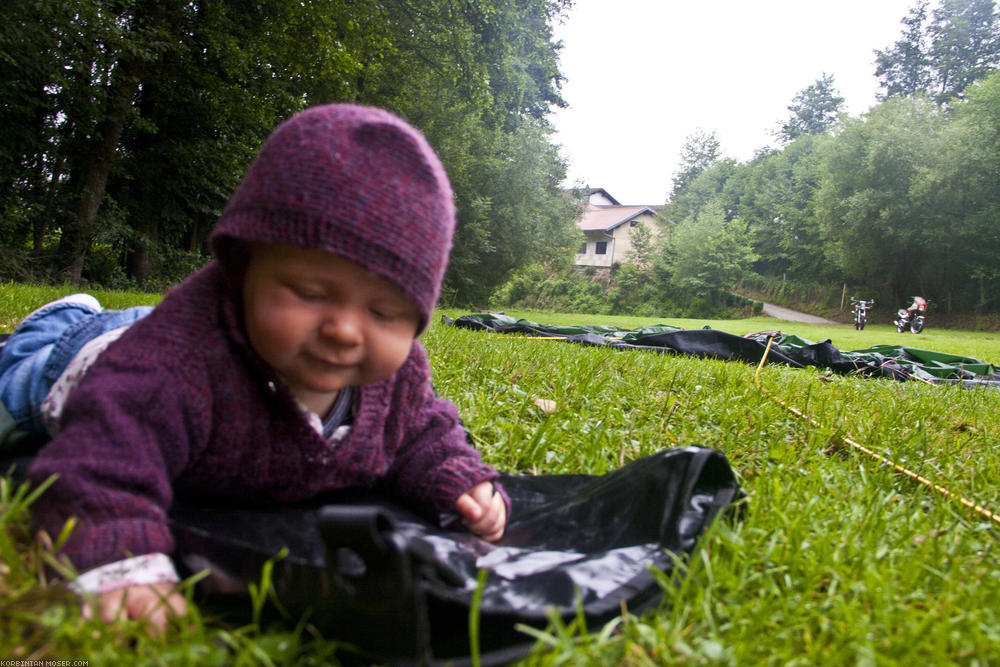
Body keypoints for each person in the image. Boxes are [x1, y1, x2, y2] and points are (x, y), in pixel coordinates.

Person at [0, 104, 508, 632]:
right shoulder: (168, 370)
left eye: (383, 312)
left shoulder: (396, 379)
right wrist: (116, 558)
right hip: (77, 360)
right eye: (311, 292)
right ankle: (60, 318)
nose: (346, 330)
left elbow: (423, 429)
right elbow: (100, 464)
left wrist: (457, 478)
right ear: (243, 267)